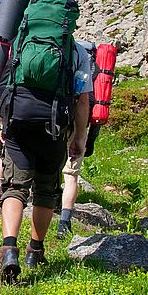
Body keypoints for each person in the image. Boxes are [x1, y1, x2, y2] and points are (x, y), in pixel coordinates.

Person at [0, 12, 93, 284]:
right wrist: (79, 136)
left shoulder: (20, 41)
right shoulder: (76, 51)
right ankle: (35, 250)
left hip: (18, 120)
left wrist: (0, 118)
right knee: (46, 190)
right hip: (54, 126)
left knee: (15, 188)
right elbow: (83, 100)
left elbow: (3, 82)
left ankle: (9, 248)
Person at [57, 41, 98, 239]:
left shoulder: (41, 44)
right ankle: (64, 222)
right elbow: (84, 99)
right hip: (74, 118)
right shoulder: (80, 53)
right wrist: (82, 135)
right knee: (71, 174)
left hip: (50, 116)